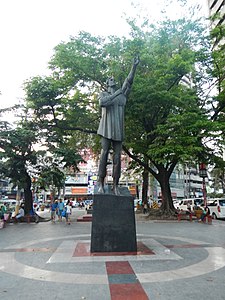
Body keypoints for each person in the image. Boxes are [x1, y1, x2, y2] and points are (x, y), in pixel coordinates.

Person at [97, 56, 140, 195]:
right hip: (106, 128)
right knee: (104, 154)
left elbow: (129, 82)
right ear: (107, 83)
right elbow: (102, 103)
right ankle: (100, 182)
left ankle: (115, 184)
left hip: (118, 129)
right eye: (110, 79)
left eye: (113, 79)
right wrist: (115, 94)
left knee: (117, 157)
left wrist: (134, 67)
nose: (112, 79)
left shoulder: (122, 96)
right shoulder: (104, 94)